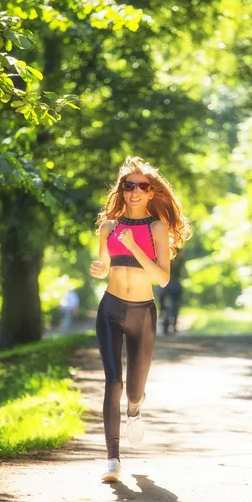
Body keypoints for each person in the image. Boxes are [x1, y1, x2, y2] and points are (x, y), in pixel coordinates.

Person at [90, 156, 191, 482]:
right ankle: (112, 459)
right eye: (128, 185)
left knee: (133, 390)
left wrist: (134, 247)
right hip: (111, 309)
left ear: (151, 192)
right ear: (121, 190)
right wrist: (98, 268)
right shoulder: (109, 228)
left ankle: (135, 409)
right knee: (113, 382)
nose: (134, 191)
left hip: (143, 313)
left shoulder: (156, 228)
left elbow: (162, 278)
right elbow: (104, 264)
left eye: (141, 186)